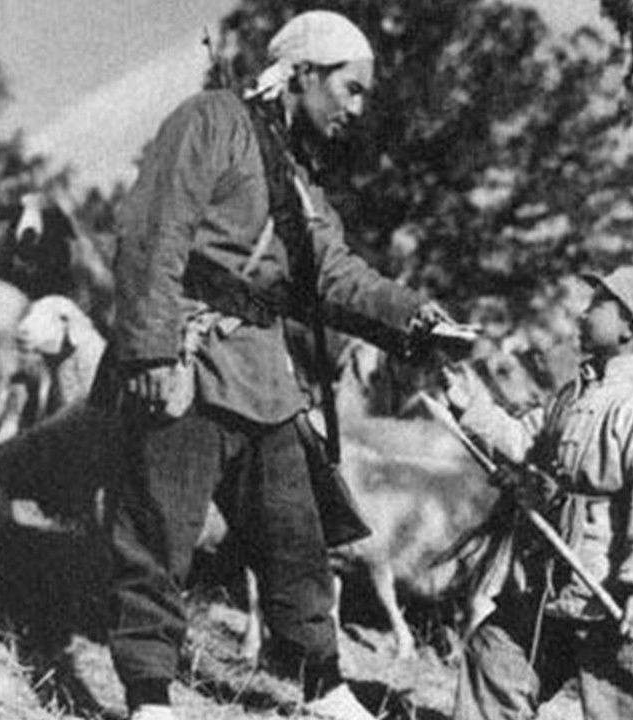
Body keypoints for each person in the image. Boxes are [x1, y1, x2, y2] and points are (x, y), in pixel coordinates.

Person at [97, 11, 453, 720]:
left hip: (263, 377)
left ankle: (323, 686)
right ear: (304, 73)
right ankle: (148, 696)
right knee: (158, 534)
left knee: (298, 538)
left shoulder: (299, 183)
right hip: (185, 362)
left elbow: (335, 276)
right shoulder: (210, 121)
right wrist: (149, 350)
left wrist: (415, 316)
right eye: (349, 89)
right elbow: (153, 230)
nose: (357, 108)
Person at [443, 266, 633, 720]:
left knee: (632, 706)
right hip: (556, 583)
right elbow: (524, 441)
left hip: (620, 597)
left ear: (628, 328)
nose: (583, 313)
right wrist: (472, 407)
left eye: (598, 305)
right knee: (494, 658)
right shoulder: (571, 396)